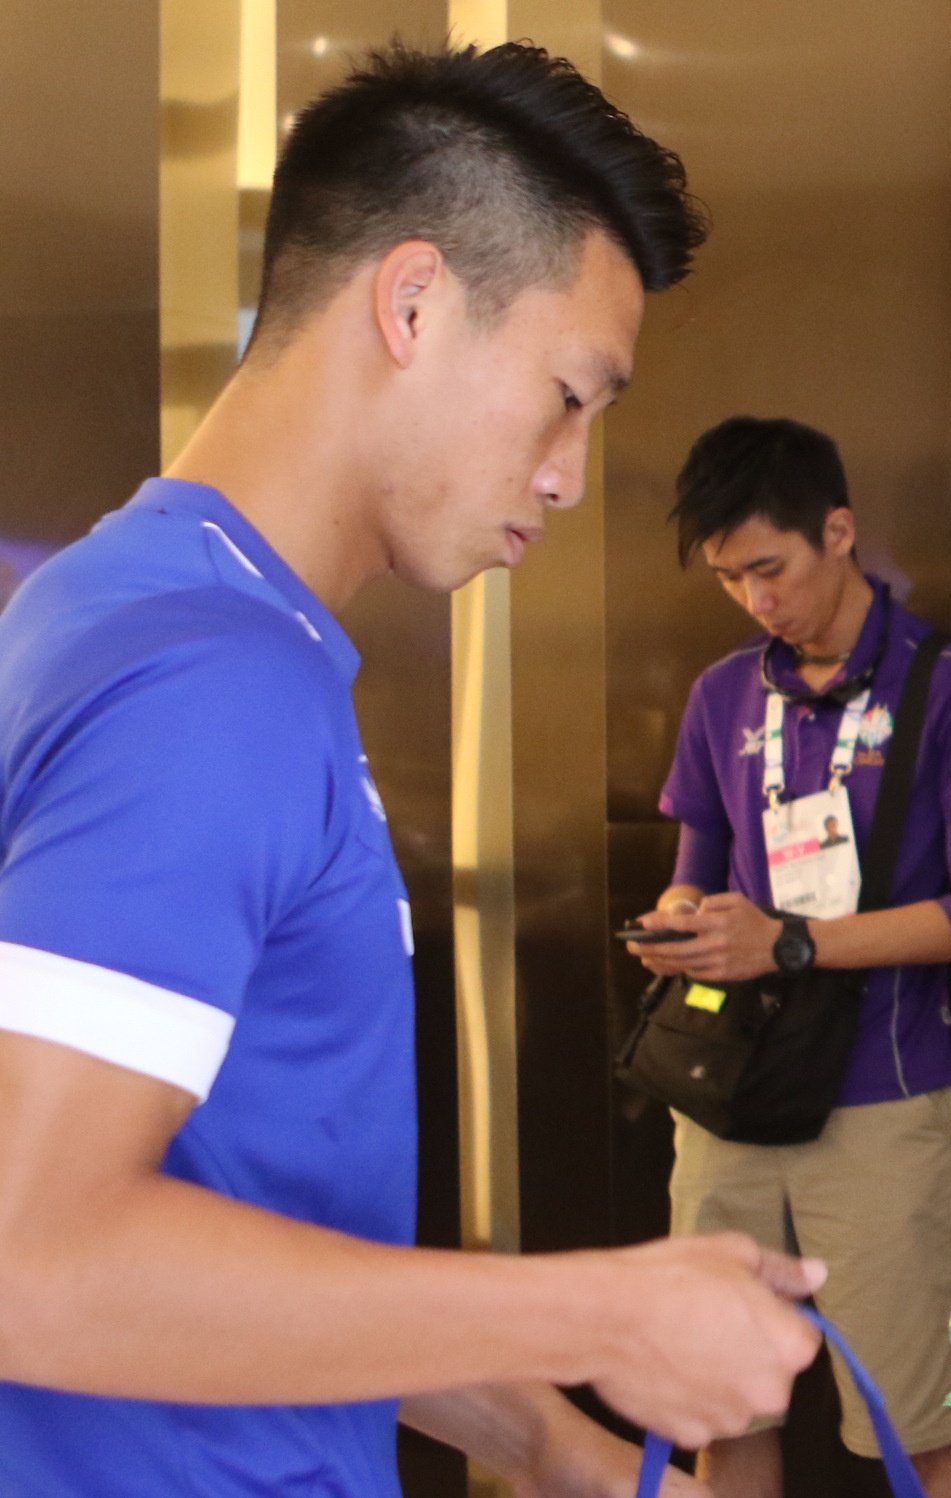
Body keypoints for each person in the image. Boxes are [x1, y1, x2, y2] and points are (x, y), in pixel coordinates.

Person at [0, 43, 828, 1498]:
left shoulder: (124, 607)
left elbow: (246, 1225)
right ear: (413, 302)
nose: (571, 474)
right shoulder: (216, 683)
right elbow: (35, 1257)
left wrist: (568, 1453)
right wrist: (601, 1311)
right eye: (568, 394)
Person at [632, 415, 951, 1498]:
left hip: (882, 1101)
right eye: (730, 579)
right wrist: (680, 922)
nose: (756, 600)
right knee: (723, 1411)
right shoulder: (722, 695)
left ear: (839, 531)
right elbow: (692, 868)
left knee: (921, 1426)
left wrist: (790, 942)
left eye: (770, 568)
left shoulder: (947, 681)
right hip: (727, 1095)